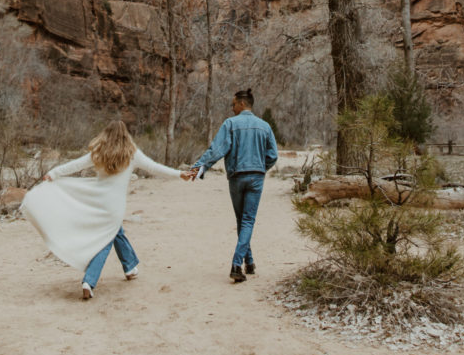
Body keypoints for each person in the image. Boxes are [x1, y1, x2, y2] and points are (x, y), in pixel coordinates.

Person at [21, 120, 191, 299]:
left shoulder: (98, 153)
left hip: (97, 202)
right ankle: (89, 280)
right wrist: (179, 174)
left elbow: (75, 165)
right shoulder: (132, 154)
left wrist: (54, 173)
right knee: (106, 239)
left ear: (106, 135)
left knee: (116, 232)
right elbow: (155, 168)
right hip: (115, 207)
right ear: (126, 136)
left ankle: (130, 267)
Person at [188, 87, 278, 283]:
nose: (232, 108)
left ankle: (238, 264)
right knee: (246, 221)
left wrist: (198, 168)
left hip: (237, 177)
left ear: (242, 104)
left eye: (233, 104)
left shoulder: (230, 124)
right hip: (256, 178)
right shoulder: (264, 126)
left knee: (242, 220)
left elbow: (217, 149)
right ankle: (249, 262)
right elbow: (273, 155)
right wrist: (261, 168)